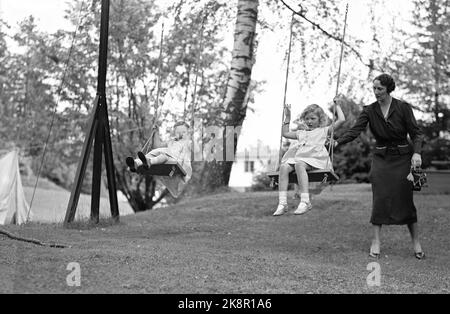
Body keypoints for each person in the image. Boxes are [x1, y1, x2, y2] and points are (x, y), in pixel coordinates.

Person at [335, 73, 425, 260]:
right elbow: (355, 131)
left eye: (380, 89)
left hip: (403, 159)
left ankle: (416, 242)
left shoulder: (403, 108)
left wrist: (416, 152)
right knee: (380, 198)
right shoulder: (369, 110)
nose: (376, 92)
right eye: (374, 88)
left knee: (405, 200)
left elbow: (416, 133)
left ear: (388, 89)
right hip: (381, 159)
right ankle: (376, 241)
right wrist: (337, 142)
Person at [273, 97, 346, 216]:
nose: (309, 121)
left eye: (313, 118)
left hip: (316, 160)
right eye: (307, 119)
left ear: (320, 119)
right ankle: (282, 203)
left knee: (299, 164)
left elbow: (342, 120)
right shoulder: (301, 133)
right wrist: (288, 117)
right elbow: (285, 133)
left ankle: (305, 201)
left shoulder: (324, 131)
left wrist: (337, 105)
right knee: (284, 167)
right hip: (301, 159)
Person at [126, 121, 192, 198]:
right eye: (178, 132)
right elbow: (158, 146)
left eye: (183, 132)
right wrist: (156, 133)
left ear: (188, 133)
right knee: (155, 152)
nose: (180, 134)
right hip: (168, 159)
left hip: (178, 163)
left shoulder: (187, 142)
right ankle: (136, 163)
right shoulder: (171, 142)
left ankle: (148, 162)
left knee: (163, 155)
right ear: (174, 133)